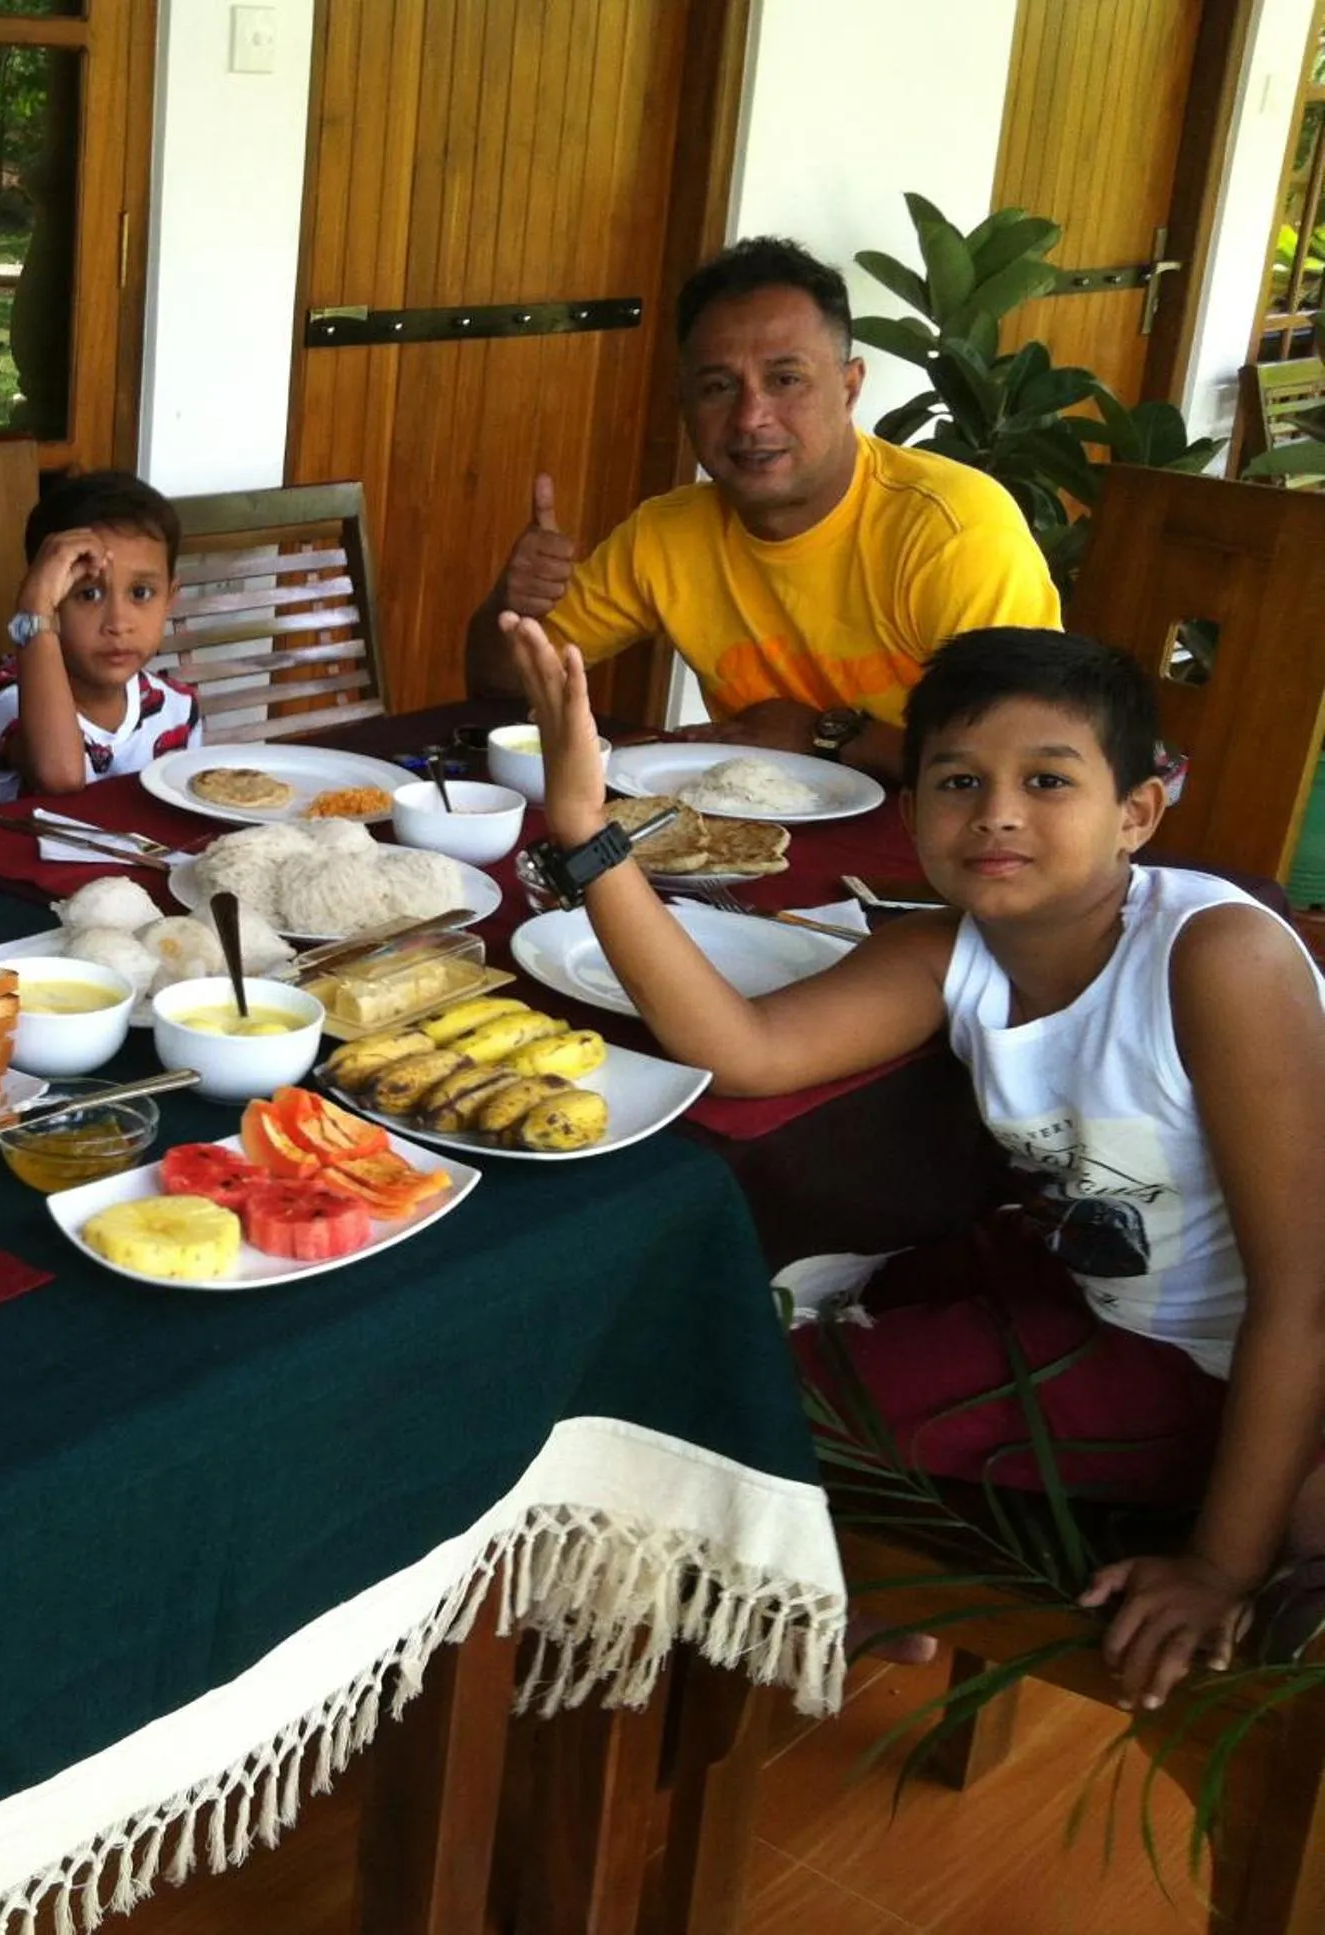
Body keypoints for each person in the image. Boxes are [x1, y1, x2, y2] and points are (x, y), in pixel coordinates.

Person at [506, 610, 1325, 1713]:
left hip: (1213, 1369)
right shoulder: (948, 948)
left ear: (1136, 812)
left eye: (1047, 781)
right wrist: (586, 831)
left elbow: (1303, 1293)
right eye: (957, 781)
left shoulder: (1214, 959)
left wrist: (1221, 1565)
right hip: (1078, 1277)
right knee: (759, 1309)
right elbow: (744, 1053)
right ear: (911, 809)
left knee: (753, 1395)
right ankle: (842, 1569)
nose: (996, 813)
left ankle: (824, 1587)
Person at [466, 238, 1061, 785]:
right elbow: (503, 690)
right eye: (718, 387)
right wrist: (511, 607)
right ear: (684, 403)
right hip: (746, 840)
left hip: (932, 847)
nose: (751, 417)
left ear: (850, 387)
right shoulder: (666, 534)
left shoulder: (952, 530)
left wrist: (826, 735)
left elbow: (1024, 759)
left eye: (785, 379)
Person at [0, 469, 200, 803]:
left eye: (141, 593)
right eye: (88, 594)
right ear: (51, 601)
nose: (118, 623)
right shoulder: (5, 691)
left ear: (169, 598)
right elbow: (59, 775)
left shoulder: (179, 708)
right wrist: (34, 607)